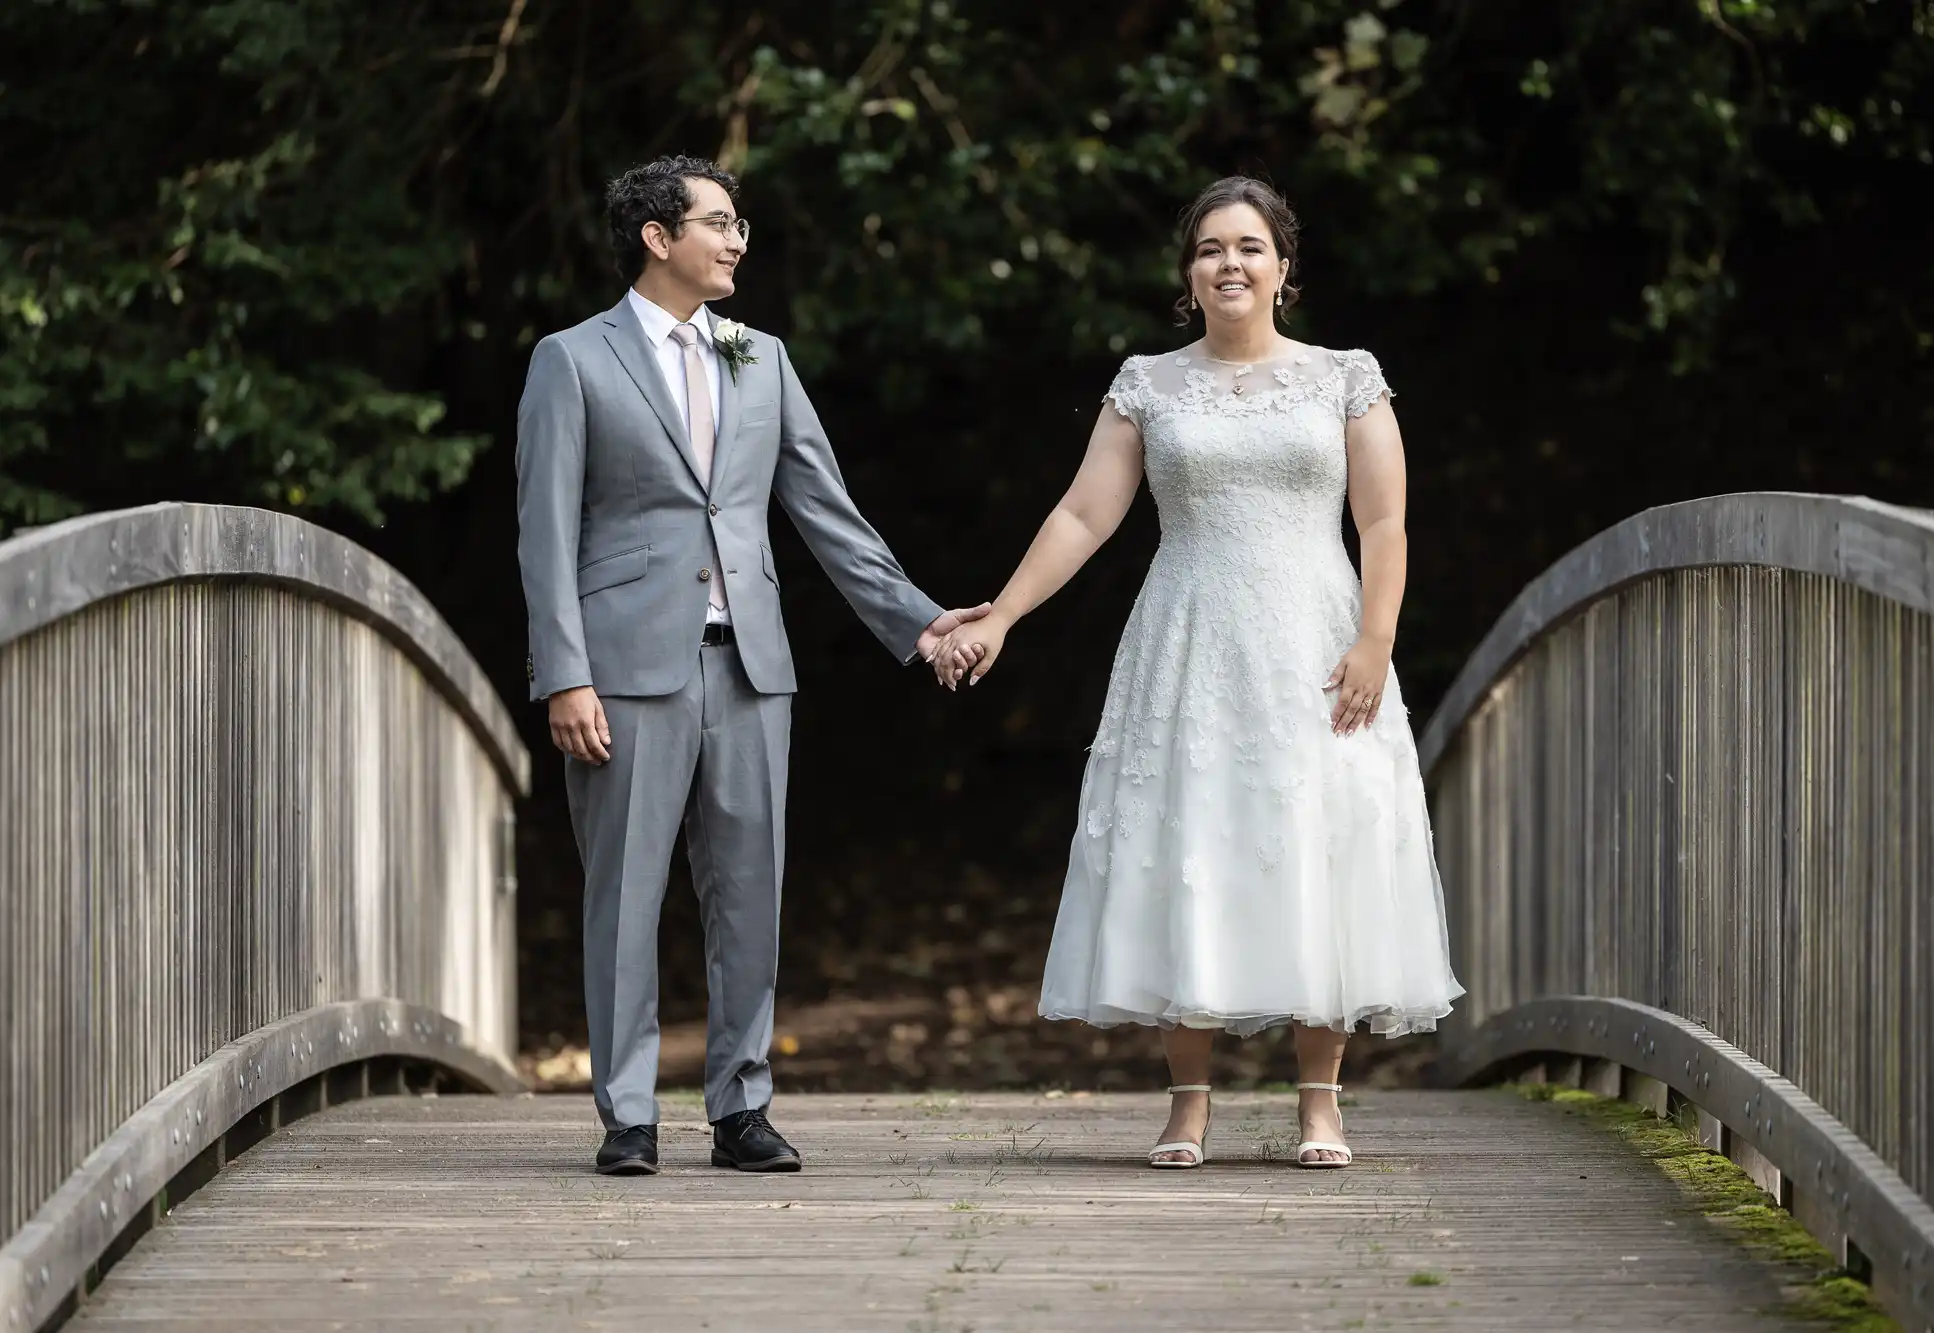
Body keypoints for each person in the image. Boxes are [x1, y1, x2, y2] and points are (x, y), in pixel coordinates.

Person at [933, 176, 1464, 1169]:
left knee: (1319, 845)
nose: (1229, 262)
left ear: (1281, 269)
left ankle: (1319, 1104)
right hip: (1187, 644)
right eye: (1210, 247)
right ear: (1187, 273)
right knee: (1192, 845)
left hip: (1318, 641)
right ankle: (1186, 1103)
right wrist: (1000, 612)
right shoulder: (1148, 382)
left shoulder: (1344, 376)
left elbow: (1382, 520)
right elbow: (1082, 516)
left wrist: (1376, 641)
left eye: (1249, 246)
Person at [516, 155, 989, 1175]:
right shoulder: (571, 359)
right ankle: (629, 1115)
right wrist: (563, 673)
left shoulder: (757, 358)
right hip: (623, 668)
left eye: (738, 226)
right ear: (657, 236)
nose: (736, 242)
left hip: (751, 667)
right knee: (623, 895)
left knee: (748, 892)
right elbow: (543, 531)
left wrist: (918, 624)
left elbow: (825, 509)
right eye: (719, 224)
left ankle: (741, 1108)